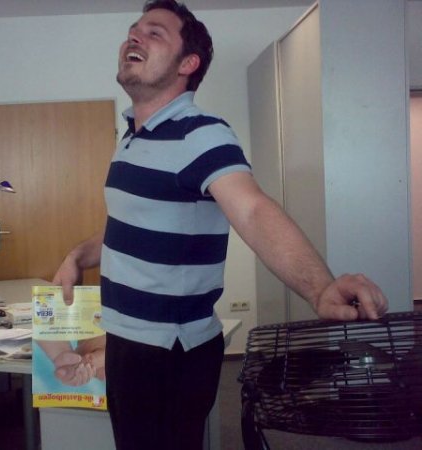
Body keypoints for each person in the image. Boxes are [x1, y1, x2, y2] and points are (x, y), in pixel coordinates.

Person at [52, 1, 388, 449]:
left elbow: (252, 210)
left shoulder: (201, 133)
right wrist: (77, 256)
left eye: (154, 32)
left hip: (167, 351)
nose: (134, 36)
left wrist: (320, 288)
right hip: (127, 338)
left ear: (187, 64)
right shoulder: (133, 136)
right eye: (134, 29)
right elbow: (129, 226)